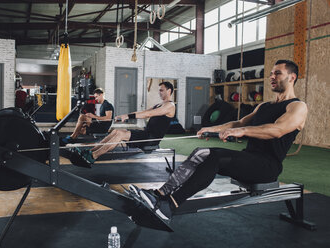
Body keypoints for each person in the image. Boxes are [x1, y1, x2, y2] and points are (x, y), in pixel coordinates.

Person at [129, 59, 307, 221]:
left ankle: (170, 206)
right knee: (203, 152)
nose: (272, 77)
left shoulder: (297, 106)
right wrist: (211, 129)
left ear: (292, 77)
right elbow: (238, 122)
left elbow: (277, 130)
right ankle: (160, 195)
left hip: (267, 166)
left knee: (215, 158)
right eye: (271, 73)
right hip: (249, 158)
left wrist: (242, 131)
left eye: (278, 73)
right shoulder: (264, 105)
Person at [69, 81, 176, 167]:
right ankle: (90, 151)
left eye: (161, 90)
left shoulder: (170, 106)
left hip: (151, 138)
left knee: (120, 135)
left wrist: (128, 117)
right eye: (159, 91)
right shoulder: (159, 104)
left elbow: (149, 114)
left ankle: (93, 156)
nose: (159, 93)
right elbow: (142, 112)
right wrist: (125, 115)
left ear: (169, 90)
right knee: (116, 131)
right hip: (146, 133)